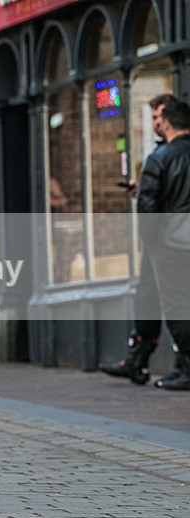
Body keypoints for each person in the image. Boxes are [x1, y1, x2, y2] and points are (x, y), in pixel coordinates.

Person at [101, 93, 178, 386]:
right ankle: (138, 359)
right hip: (159, 238)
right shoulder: (161, 151)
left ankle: (181, 362)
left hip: (173, 238)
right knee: (147, 295)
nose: (157, 123)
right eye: (154, 118)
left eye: (159, 117)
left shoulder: (177, 151)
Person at [137, 100, 190, 391]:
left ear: (167, 123)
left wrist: (153, 242)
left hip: (173, 245)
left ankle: (188, 367)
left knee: (179, 306)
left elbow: (148, 207)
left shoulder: (160, 157)